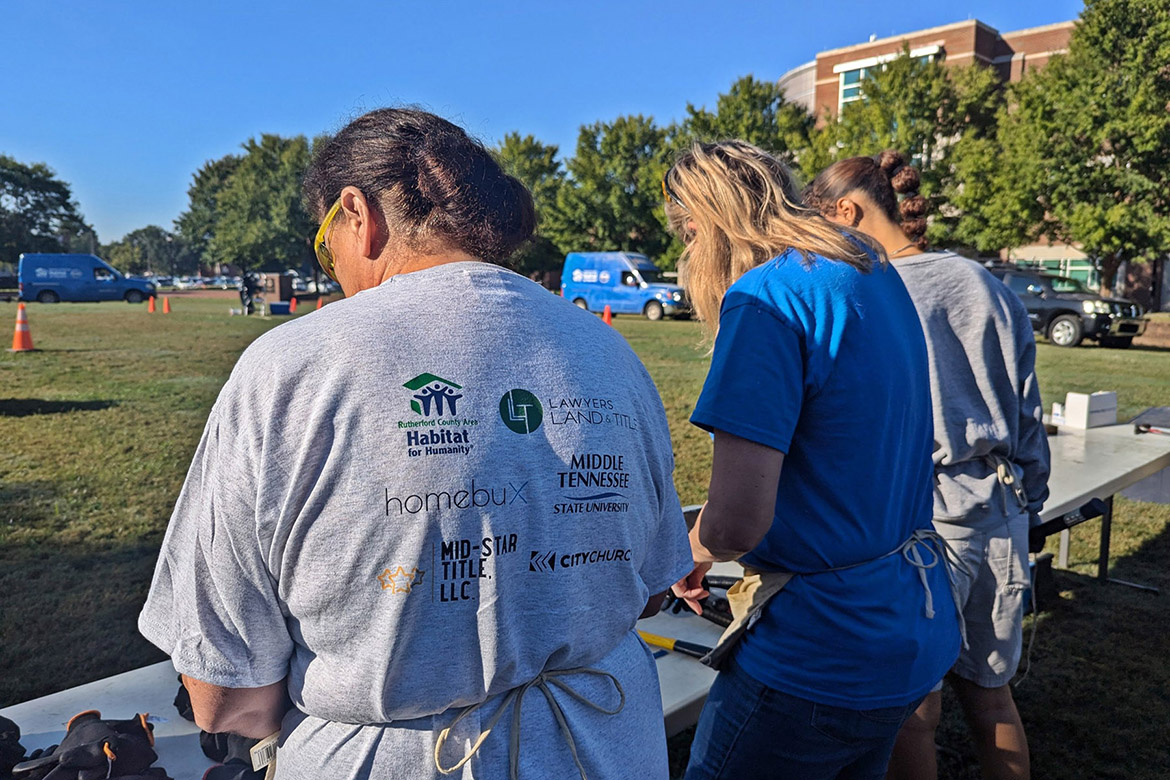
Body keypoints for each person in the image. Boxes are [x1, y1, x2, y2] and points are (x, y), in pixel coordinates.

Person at [139, 108, 693, 780]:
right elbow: (653, 588)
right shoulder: (609, 352)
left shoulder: (290, 368)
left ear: (357, 213)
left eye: (325, 247)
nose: (335, 269)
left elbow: (224, 694)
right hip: (607, 748)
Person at [663, 141, 962, 780]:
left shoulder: (764, 299)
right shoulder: (867, 266)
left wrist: (687, 550)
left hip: (820, 650)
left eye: (686, 235)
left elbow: (736, 522)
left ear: (702, 223)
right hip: (908, 616)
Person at [806, 150, 1050, 780]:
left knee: (913, 707)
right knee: (991, 693)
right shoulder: (987, 284)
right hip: (1001, 512)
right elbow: (1028, 414)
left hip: (919, 524)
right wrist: (1032, 502)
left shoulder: (871, 291)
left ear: (847, 211)